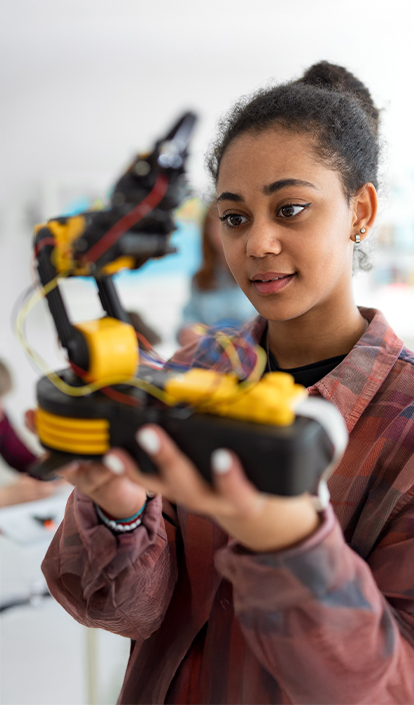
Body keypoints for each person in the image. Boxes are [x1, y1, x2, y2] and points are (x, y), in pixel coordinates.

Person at [37, 62, 414, 704]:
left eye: (290, 209)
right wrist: (121, 509)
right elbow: (120, 614)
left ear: (360, 210)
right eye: (234, 218)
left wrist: (292, 546)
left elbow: (392, 689)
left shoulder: (403, 430)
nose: (258, 244)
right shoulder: (183, 379)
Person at [177, 200, 256, 346]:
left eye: (233, 223)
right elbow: (189, 318)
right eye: (218, 226)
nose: (223, 233)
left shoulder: (260, 273)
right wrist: (187, 331)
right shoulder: (200, 279)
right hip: (211, 361)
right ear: (207, 232)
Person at [0, 359, 64, 507]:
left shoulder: (1, 420)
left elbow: (20, 458)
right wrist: (5, 497)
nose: (1, 412)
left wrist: (52, 469)